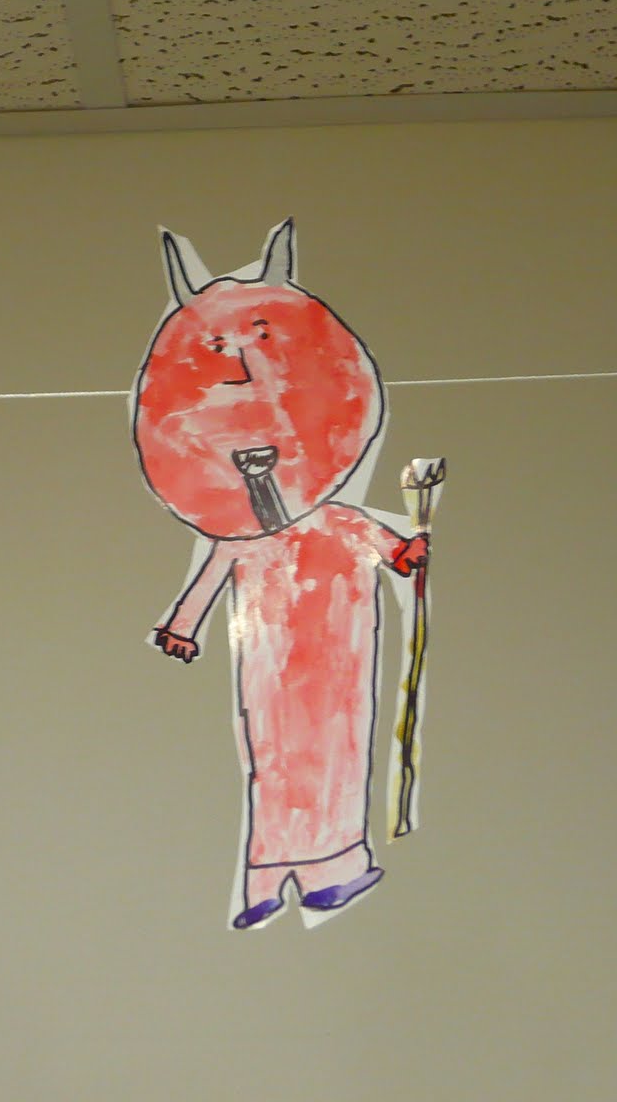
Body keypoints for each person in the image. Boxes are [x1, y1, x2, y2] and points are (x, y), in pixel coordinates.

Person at [135, 220, 428, 930]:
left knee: (330, 751)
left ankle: (327, 868)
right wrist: (181, 626)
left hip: (338, 657)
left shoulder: (332, 522)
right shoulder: (249, 534)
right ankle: (273, 875)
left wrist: (406, 551)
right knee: (274, 755)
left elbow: (383, 544)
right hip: (270, 661)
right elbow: (216, 567)